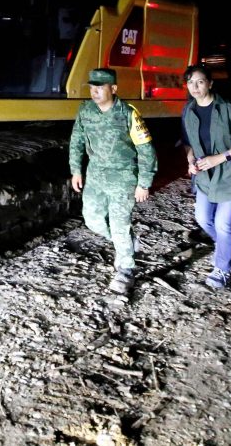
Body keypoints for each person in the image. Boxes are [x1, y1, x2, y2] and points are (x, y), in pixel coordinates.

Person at [69, 67, 157, 295]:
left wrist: (143, 182)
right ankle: (125, 242)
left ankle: (126, 269)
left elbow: (146, 150)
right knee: (92, 219)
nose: (95, 92)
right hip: (96, 174)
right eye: (92, 87)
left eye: (100, 87)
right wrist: (76, 170)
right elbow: (76, 140)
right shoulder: (86, 111)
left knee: (119, 223)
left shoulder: (128, 113)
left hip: (124, 176)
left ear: (113, 88)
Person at [180, 63, 231, 290]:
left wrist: (219, 158)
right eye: (190, 82)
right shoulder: (188, 110)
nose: (195, 87)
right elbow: (187, 142)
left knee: (223, 224)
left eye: (200, 81)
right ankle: (225, 244)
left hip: (230, 173)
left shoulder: (229, 108)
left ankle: (223, 269)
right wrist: (190, 160)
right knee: (203, 219)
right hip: (204, 176)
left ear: (210, 83)